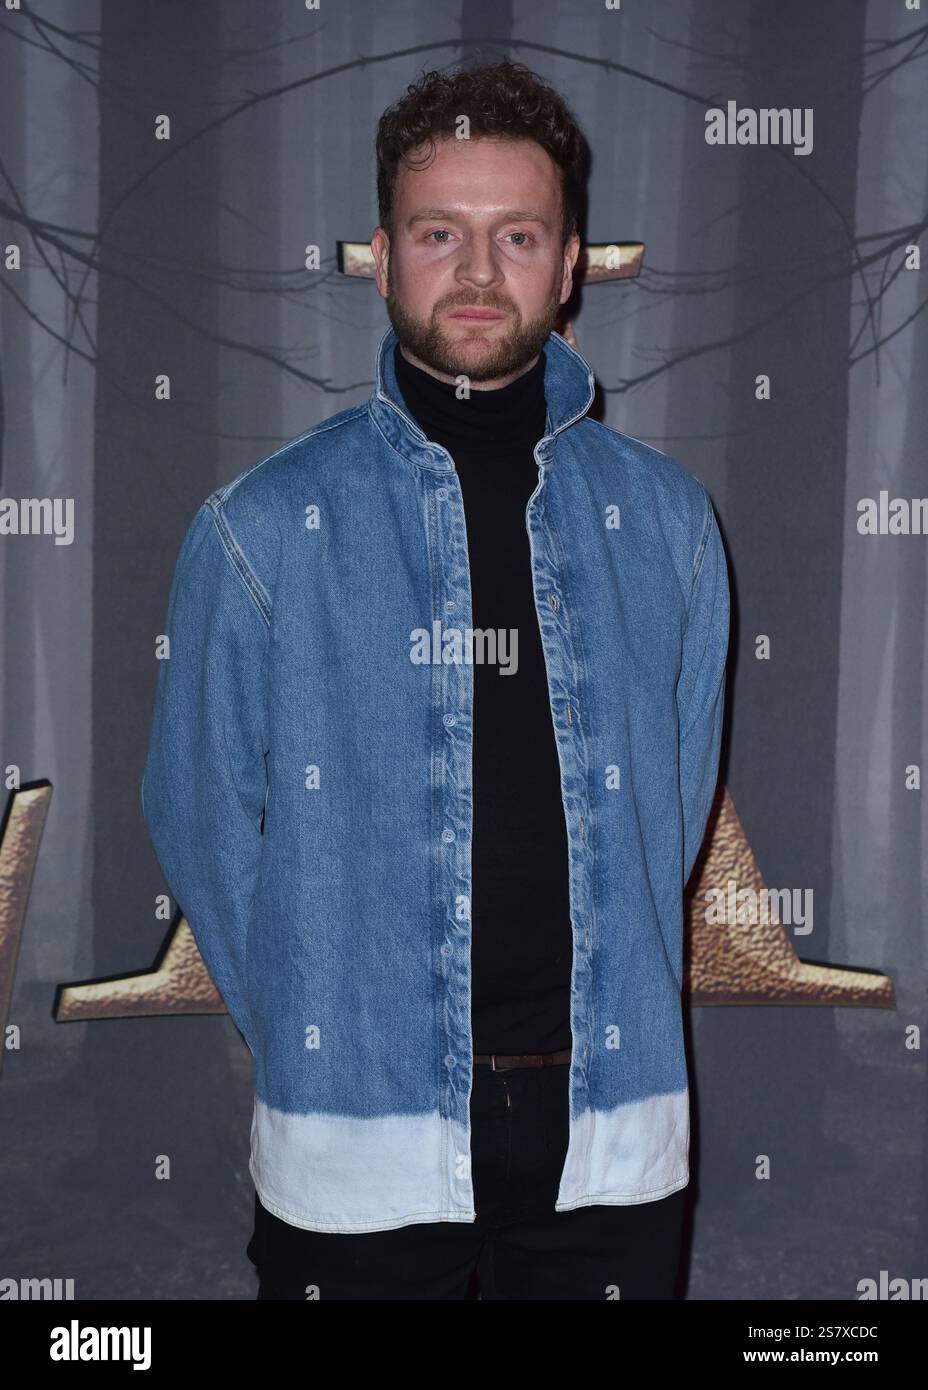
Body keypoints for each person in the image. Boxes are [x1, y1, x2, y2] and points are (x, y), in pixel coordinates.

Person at [141, 58, 730, 1300]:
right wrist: (328, 1026)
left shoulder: (668, 524)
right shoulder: (259, 529)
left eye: (515, 234)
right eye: (438, 233)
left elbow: (663, 822)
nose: (476, 272)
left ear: (568, 264)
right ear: (381, 253)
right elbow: (201, 823)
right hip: (354, 1154)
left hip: (611, 1146)